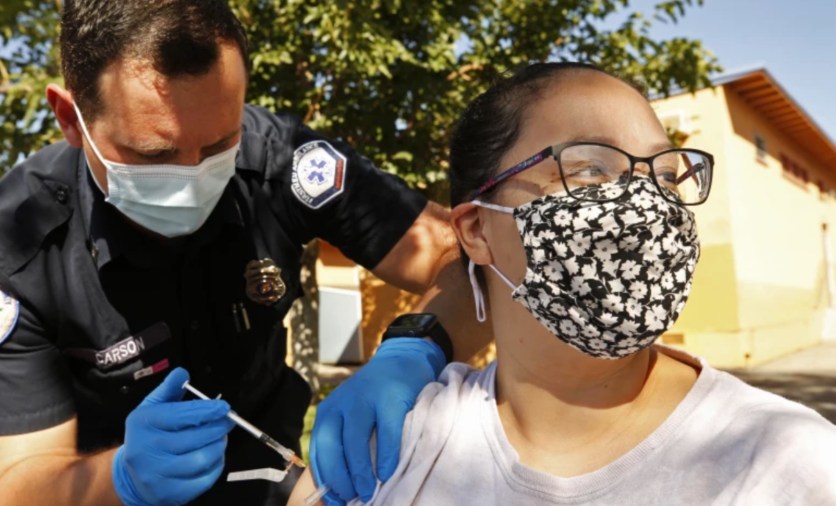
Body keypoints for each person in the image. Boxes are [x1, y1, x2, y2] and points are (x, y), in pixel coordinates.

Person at [0, 1, 488, 505]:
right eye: (153, 154)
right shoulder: (11, 251)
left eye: (217, 145)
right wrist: (124, 477)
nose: (191, 179)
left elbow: (467, 262)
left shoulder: (285, 165)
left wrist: (416, 351)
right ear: (70, 119)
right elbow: (17, 485)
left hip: (269, 474)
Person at [290, 62, 836, 505]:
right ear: (477, 230)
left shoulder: (789, 462)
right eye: (591, 168)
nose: (646, 202)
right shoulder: (396, 449)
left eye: (666, 174)